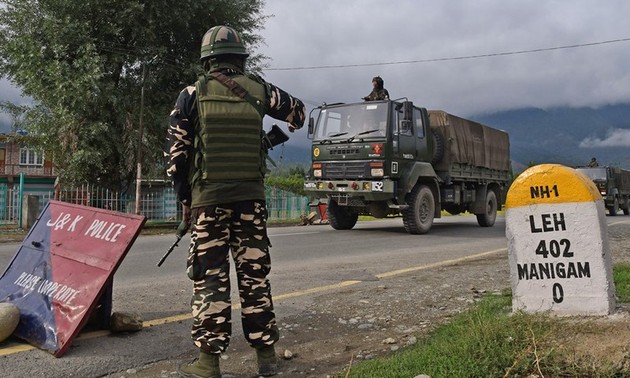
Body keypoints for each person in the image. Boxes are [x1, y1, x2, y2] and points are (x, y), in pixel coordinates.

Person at [166, 25, 305, 378]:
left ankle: (209, 363)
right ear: (241, 59)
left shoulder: (191, 94)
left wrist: (185, 198)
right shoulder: (261, 91)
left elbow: (176, 158)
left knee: (210, 279)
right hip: (251, 202)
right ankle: (267, 359)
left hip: (207, 203)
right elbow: (298, 113)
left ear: (207, 61)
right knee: (254, 278)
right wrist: (275, 134)